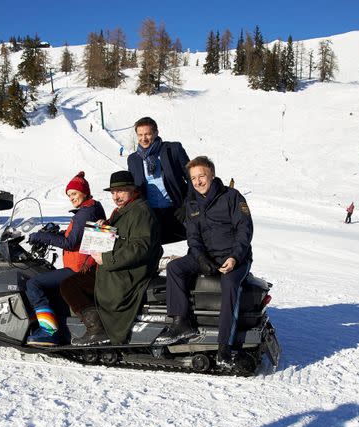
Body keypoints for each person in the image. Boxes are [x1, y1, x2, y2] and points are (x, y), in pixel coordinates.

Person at [159, 156, 254, 364]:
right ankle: (181, 321)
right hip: (206, 255)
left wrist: (235, 257)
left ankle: (224, 345)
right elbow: (193, 237)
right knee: (175, 267)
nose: (198, 181)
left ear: (211, 174)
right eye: (193, 178)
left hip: (235, 257)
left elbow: (244, 230)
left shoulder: (232, 197)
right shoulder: (192, 202)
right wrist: (201, 258)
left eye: (201, 176)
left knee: (229, 284)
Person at [60, 170, 162, 346]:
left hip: (127, 273)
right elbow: (123, 236)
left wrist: (107, 259)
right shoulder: (123, 210)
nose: (116, 196)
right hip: (115, 267)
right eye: (113, 192)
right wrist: (105, 226)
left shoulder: (140, 211)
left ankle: (97, 329)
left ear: (132, 190)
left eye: (121, 191)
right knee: (73, 283)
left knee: (70, 286)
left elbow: (140, 247)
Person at [24, 172, 106, 346]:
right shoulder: (92, 208)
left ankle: (49, 332)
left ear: (84, 192)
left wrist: (41, 237)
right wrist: (56, 233)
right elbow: (79, 236)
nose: (72, 198)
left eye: (74, 194)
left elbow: (70, 243)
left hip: (79, 267)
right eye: (69, 195)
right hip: (84, 264)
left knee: (33, 284)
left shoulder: (85, 213)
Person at [127, 116, 190, 244]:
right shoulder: (133, 159)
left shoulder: (173, 150)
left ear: (156, 133)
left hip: (177, 210)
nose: (143, 138)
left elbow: (192, 178)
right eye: (140, 135)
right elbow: (133, 188)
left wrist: (187, 205)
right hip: (151, 213)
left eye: (148, 134)